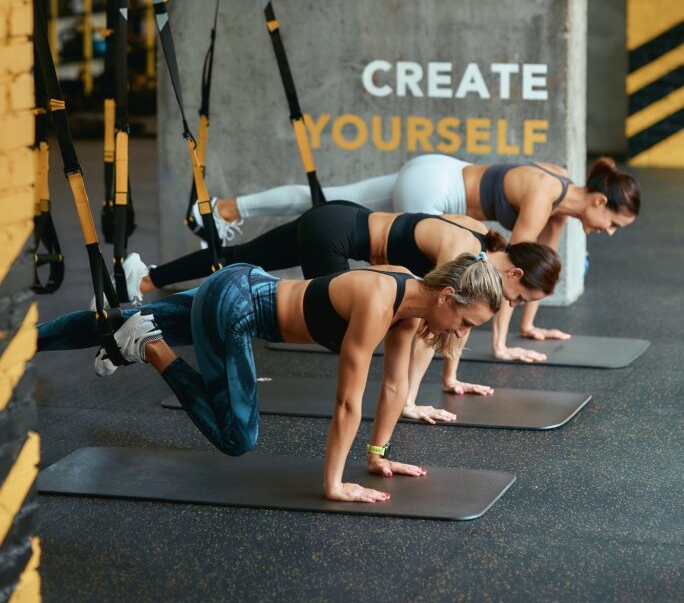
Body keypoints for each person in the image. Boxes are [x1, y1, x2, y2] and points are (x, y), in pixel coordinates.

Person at [37, 255, 502, 503]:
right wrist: (334, 484)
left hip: (241, 286)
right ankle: (150, 346)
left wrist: (378, 456)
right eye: (466, 322)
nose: (462, 334)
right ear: (447, 297)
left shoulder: (410, 302)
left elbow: (397, 386)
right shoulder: (381, 298)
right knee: (237, 437)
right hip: (237, 309)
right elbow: (346, 403)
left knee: (112, 318)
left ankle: (19, 339)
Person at [119, 200, 561, 401]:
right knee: (338, 331)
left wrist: (448, 379)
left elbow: (446, 322)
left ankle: (145, 280)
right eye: (521, 297)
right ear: (514, 274)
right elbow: (429, 328)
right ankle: (201, 344)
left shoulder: (480, 234)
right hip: (335, 236)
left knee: (240, 255)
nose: (516, 304)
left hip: (334, 219)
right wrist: (407, 396)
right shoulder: (465, 255)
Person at [197, 155, 639, 347]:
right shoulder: (544, 196)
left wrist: (529, 328)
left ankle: (228, 208)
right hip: (437, 192)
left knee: (328, 198)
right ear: (600, 202)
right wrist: (502, 345)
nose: (610, 232)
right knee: (420, 292)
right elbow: (511, 275)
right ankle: (399, 383)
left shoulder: (561, 186)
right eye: (614, 224)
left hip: (434, 170)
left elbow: (540, 272)